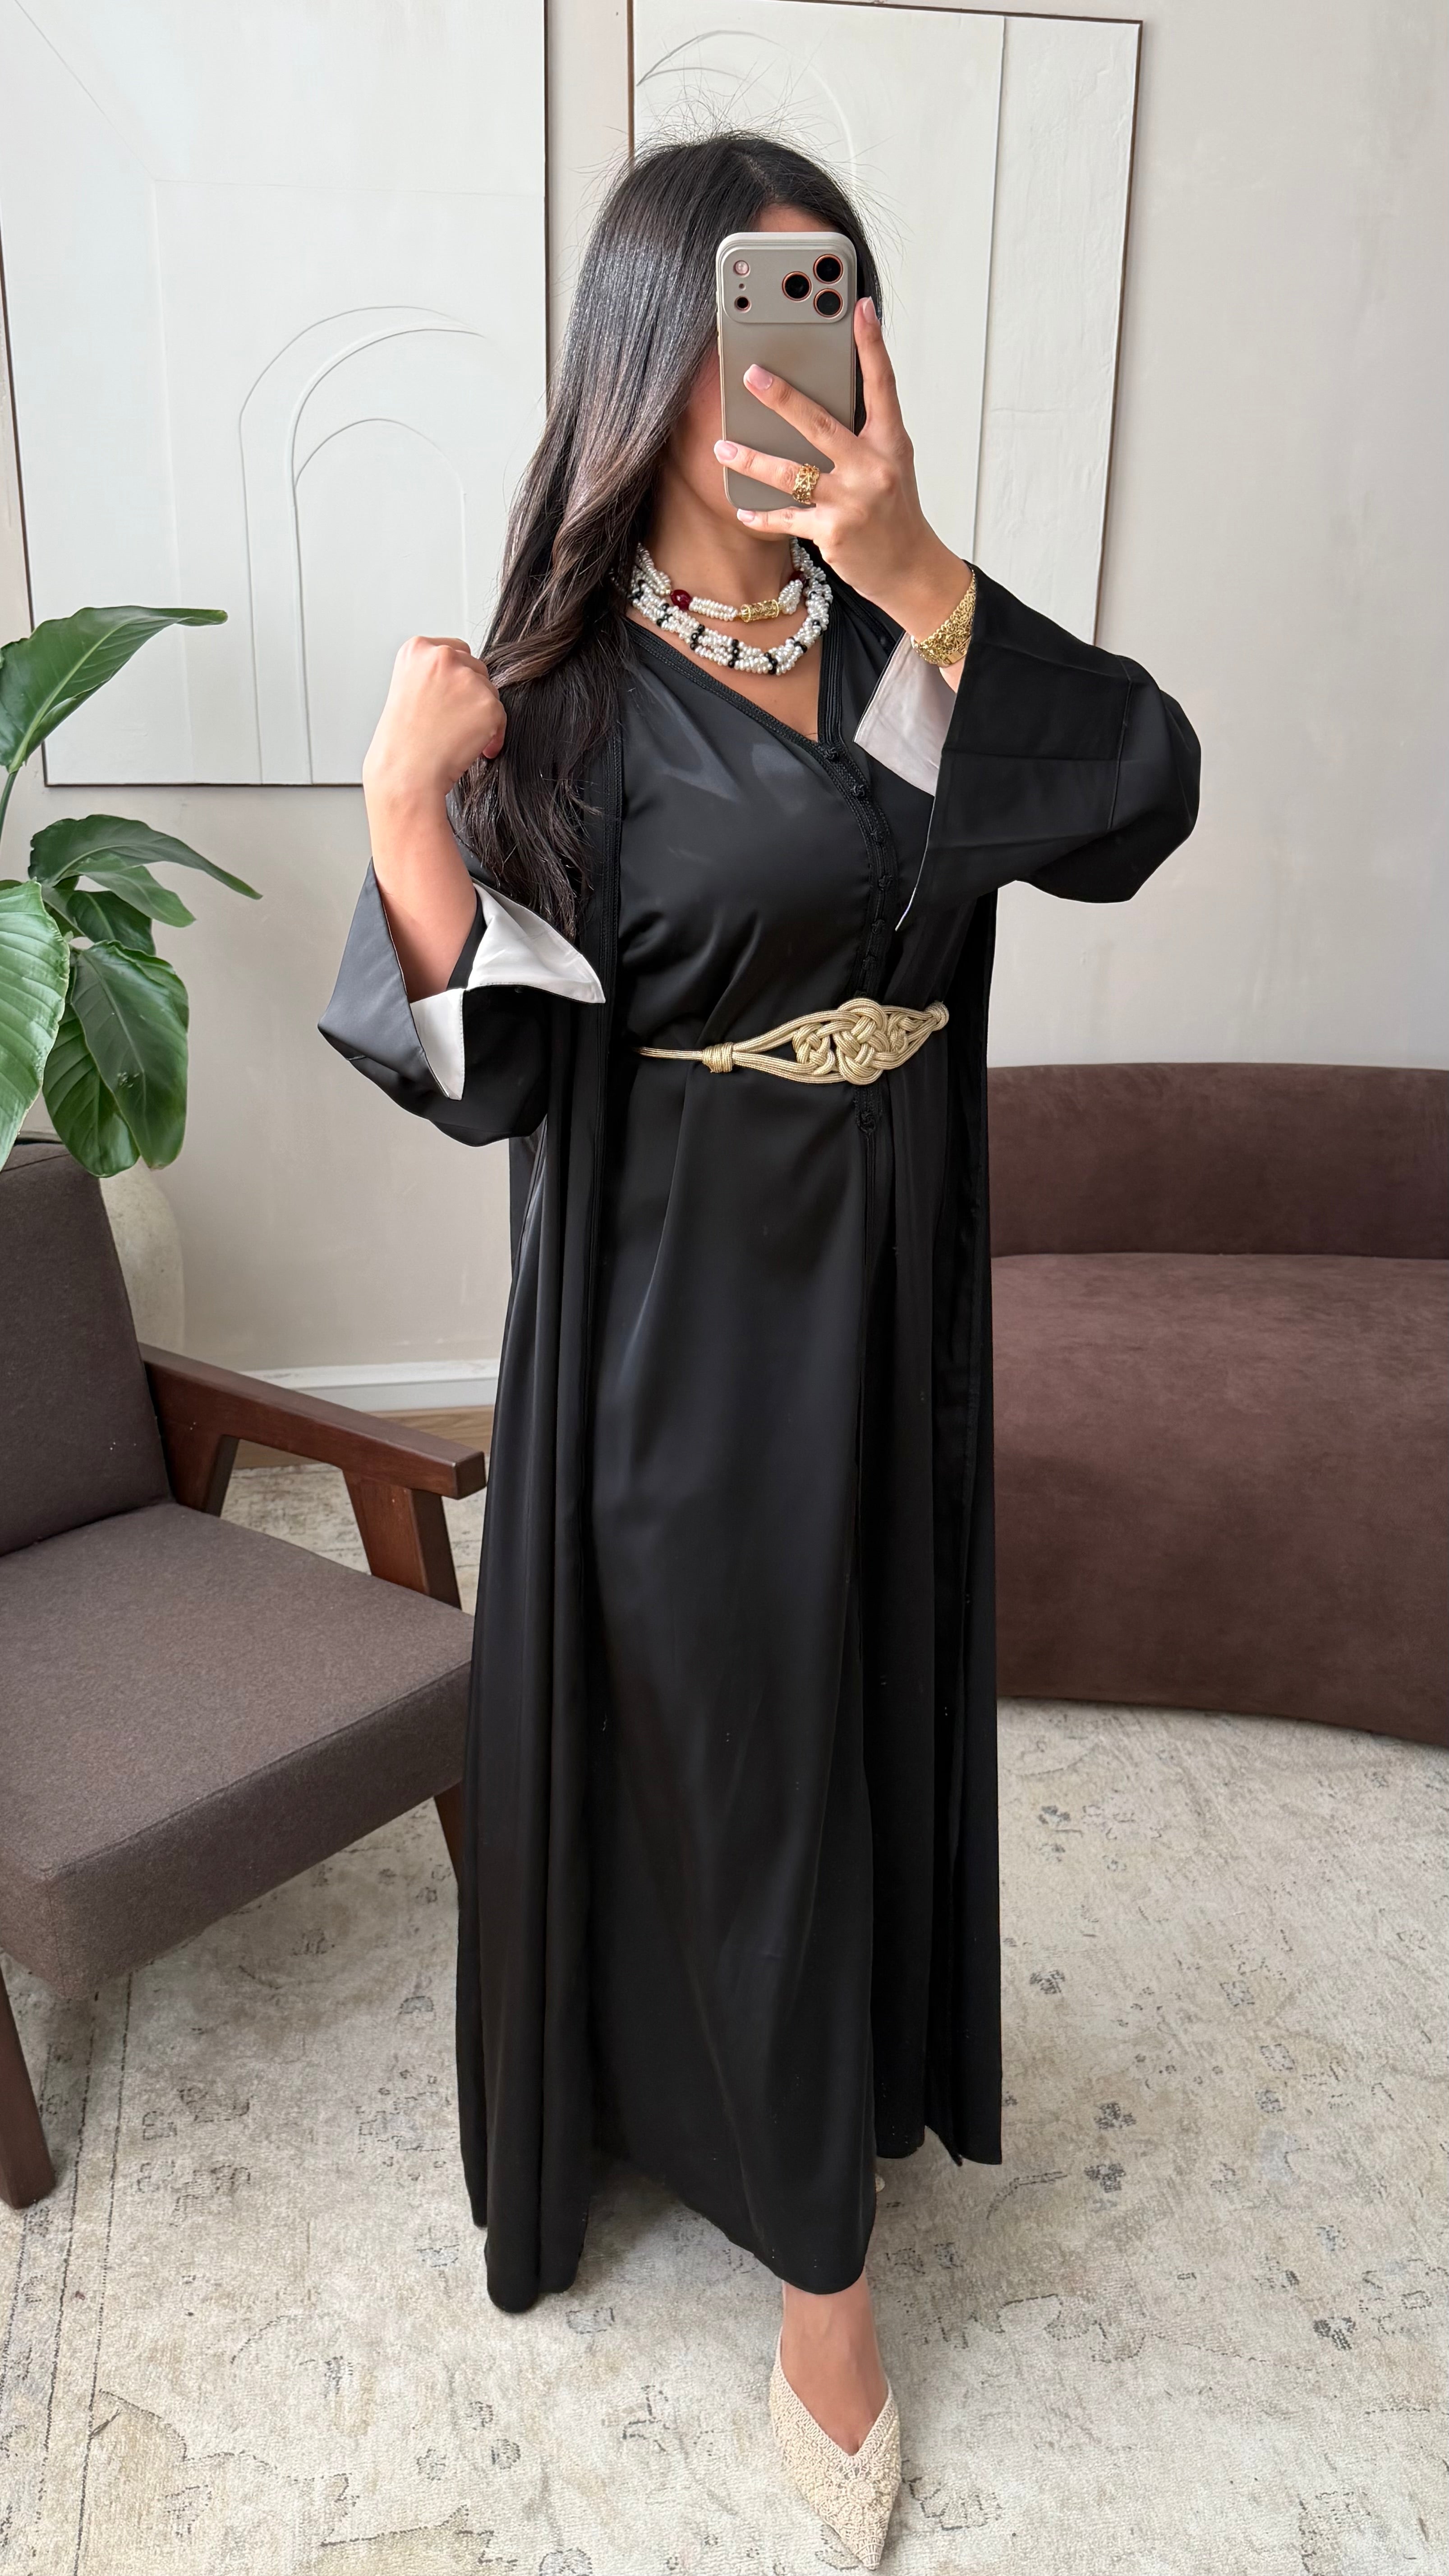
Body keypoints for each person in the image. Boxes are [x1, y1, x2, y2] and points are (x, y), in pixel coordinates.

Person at [321, 133, 1199, 2567]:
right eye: (731, 331)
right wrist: (405, 817)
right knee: (753, 1752)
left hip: (898, 1284)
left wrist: (921, 571)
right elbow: (496, 1074)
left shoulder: (909, 649)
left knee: (863, 1707)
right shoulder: (565, 705)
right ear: (645, 363)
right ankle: (828, 2288)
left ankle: (756, 2091)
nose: (781, 381)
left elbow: (1140, 797)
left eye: (820, 316)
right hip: (683, 1318)